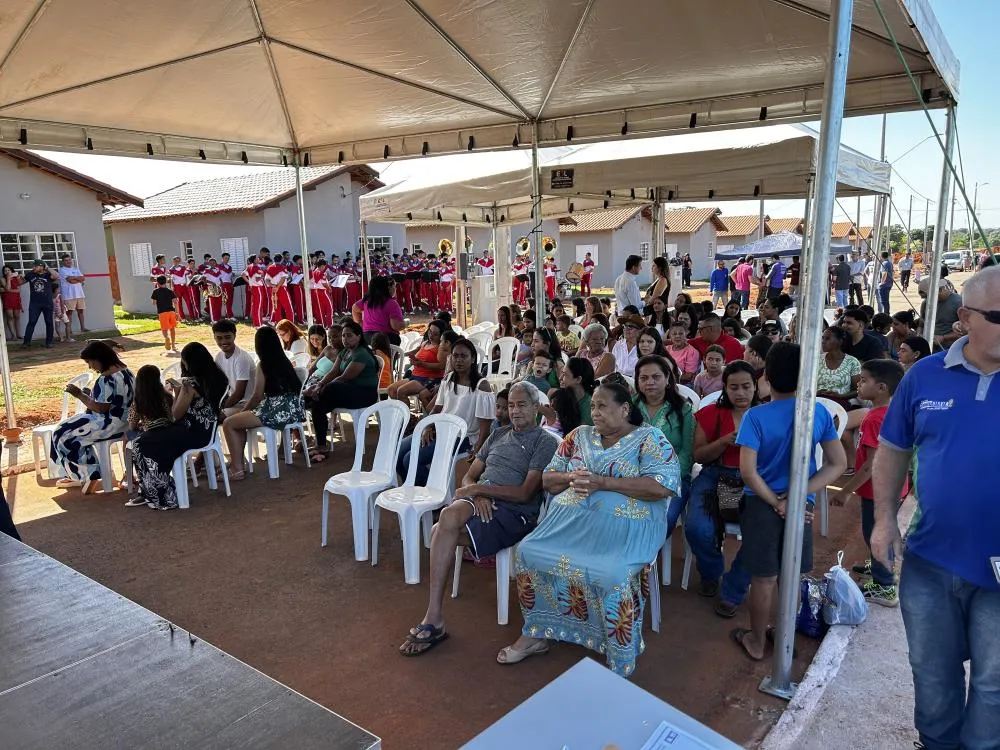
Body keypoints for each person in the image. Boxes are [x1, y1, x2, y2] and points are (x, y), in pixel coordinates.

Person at [870, 266, 1000, 750]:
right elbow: (892, 449)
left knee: (994, 681)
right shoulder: (924, 376)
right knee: (932, 671)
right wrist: (884, 519)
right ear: (964, 318)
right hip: (931, 557)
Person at [497, 383, 680, 675]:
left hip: (624, 533)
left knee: (612, 573)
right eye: (593, 406)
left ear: (624, 409)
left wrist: (604, 482)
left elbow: (662, 487)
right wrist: (572, 477)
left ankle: (618, 653)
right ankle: (536, 633)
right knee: (529, 552)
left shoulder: (650, 438)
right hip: (569, 527)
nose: (595, 412)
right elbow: (548, 480)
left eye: (602, 406)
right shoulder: (578, 436)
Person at [398, 382, 557, 656]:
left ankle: (434, 618)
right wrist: (478, 492)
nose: (515, 411)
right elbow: (469, 476)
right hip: (483, 501)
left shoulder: (544, 442)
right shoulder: (498, 434)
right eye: (511, 405)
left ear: (535, 408)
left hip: (514, 511)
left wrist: (479, 490)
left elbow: (524, 493)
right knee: (446, 521)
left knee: (439, 530)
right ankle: (434, 616)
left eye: (521, 405)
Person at [730, 342, 846, 660]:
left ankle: (756, 641)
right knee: (791, 574)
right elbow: (838, 463)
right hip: (800, 506)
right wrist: (795, 497)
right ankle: (783, 639)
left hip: (761, 504)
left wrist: (776, 501)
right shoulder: (818, 412)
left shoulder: (755, 416)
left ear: (766, 375)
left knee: (763, 578)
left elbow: (748, 472)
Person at [830, 359, 907, 606]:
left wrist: (845, 491)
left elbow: (872, 465)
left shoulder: (875, 419)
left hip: (879, 491)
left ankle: (884, 587)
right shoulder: (891, 412)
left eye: (864, 380)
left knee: (874, 534)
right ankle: (882, 568)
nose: (859, 385)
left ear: (882, 387)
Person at [684, 361, 758, 615]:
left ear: (755, 386)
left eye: (746, 386)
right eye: (733, 387)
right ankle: (711, 571)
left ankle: (733, 588)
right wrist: (724, 442)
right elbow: (699, 455)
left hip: (754, 479)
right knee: (697, 528)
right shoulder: (711, 413)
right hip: (715, 475)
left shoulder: (764, 415)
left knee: (762, 532)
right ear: (724, 388)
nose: (740, 393)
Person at [131, 343, 229, 510]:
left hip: (190, 432)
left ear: (188, 362)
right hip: (207, 432)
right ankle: (156, 490)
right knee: (148, 441)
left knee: (140, 443)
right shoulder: (219, 379)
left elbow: (175, 414)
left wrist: (178, 392)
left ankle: (160, 493)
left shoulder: (190, 385)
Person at [395, 337, 495, 485]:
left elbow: (485, 426)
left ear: (473, 359)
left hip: (463, 437)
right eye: (455, 356)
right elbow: (437, 408)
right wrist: (428, 426)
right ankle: (412, 488)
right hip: (441, 430)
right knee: (398, 453)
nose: (459, 360)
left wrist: (478, 450)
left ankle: (431, 492)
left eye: (464, 356)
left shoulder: (481, 386)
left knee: (410, 459)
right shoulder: (448, 378)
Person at [50, 341, 135, 493]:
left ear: (99, 358)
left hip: (109, 424)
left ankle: (86, 474)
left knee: (62, 433)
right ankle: (82, 473)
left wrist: (80, 395)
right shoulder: (127, 371)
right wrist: (90, 396)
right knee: (68, 427)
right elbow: (115, 400)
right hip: (126, 422)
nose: (90, 367)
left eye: (90, 362)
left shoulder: (106, 378)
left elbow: (100, 408)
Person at [222, 327, 306, 480]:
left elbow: (256, 397)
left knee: (229, 423)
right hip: (294, 410)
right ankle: (238, 464)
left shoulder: (263, 364)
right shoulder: (285, 361)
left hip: (276, 411)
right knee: (237, 421)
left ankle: (236, 468)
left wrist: (244, 410)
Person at [634, 355, 693, 532]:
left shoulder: (683, 409)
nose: (650, 382)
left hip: (673, 477)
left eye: (656, 377)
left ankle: (648, 549)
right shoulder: (629, 407)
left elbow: (688, 452)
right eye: (644, 378)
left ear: (667, 378)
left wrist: (666, 477)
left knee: (662, 519)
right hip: (634, 475)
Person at [306, 320, 379, 461]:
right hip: (347, 391)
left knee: (330, 388)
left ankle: (310, 398)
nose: (345, 339)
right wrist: (319, 385)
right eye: (344, 336)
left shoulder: (361, 354)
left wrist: (321, 388)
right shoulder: (345, 351)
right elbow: (333, 372)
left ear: (359, 336)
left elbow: (345, 377)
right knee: (318, 404)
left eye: (349, 335)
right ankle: (321, 445)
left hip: (363, 394)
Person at [387, 319, 448, 403]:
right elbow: (415, 352)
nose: (431, 335)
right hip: (416, 375)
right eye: (430, 332)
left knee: (401, 391)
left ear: (441, 335)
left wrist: (421, 364)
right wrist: (410, 358)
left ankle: (405, 411)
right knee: (391, 389)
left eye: (435, 334)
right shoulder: (425, 343)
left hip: (429, 378)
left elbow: (441, 366)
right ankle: (401, 409)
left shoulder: (440, 347)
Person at [212, 319, 256, 418]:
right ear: (214, 338)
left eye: (227, 337)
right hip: (234, 402)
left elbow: (239, 394)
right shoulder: (219, 356)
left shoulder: (241, 358)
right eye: (219, 338)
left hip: (247, 404)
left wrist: (220, 407)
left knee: (214, 417)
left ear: (234, 336)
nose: (223, 341)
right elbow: (217, 384)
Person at [538, 357, 596, 430]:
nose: (560, 378)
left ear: (578, 379)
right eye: (562, 373)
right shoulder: (558, 397)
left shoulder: (590, 408)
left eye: (565, 375)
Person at [353, 275, 405, 346]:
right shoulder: (391, 303)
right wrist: (404, 324)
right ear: (388, 288)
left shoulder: (367, 300)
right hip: (386, 340)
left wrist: (360, 323)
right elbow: (396, 326)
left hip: (367, 338)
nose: (395, 288)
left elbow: (355, 308)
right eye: (394, 286)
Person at [917, 276, 963, 352]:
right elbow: (921, 324)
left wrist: (943, 337)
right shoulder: (925, 304)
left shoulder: (958, 302)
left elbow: (965, 331)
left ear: (939, 290)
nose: (926, 299)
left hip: (950, 348)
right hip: (930, 347)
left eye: (928, 296)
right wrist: (919, 333)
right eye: (924, 297)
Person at [20, 259, 59, 348]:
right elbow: (20, 283)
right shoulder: (30, 274)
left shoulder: (48, 274)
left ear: (41, 266)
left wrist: (47, 268)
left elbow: (56, 276)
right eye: (33, 266)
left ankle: (49, 342)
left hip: (47, 303)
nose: (33, 268)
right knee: (32, 321)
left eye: (36, 266)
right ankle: (26, 342)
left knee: (49, 322)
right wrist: (18, 278)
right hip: (35, 303)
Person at [57, 253, 87, 336]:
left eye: (69, 260)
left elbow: (83, 278)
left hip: (79, 294)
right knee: (69, 312)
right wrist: (78, 279)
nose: (68, 261)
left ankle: (83, 328)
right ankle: (69, 330)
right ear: (63, 262)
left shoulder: (76, 269)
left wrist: (75, 278)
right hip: (69, 295)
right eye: (66, 260)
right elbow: (70, 281)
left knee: (81, 311)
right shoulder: (62, 270)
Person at [611, 313, 644, 377]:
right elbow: (612, 365)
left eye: (630, 327)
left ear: (639, 331)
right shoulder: (618, 344)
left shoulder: (643, 347)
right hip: (617, 378)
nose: (626, 329)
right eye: (625, 326)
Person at [151, 276, 178, 353]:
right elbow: (175, 302)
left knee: (164, 329)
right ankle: (173, 345)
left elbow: (154, 303)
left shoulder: (155, 291)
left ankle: (166, 337)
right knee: (172, 328)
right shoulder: (170, 291)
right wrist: (177, 312)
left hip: (162, 312)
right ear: (165, 282)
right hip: (171, 311)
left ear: (157, 283)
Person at [1, 265, 22, 341]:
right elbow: (7, 288)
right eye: (5, 271)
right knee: (10, 316)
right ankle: (14, 335)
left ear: (11, 270)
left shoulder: (16, 278)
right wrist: (8, 279)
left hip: (16, 299)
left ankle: (18, 334)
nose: (7, 272)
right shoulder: (3, 279)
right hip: (7, 299)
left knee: (17, 316)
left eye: (8, 270)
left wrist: (18, 277)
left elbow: (19, 289)